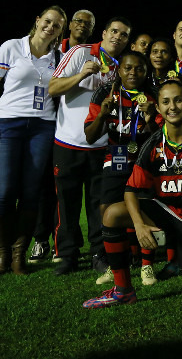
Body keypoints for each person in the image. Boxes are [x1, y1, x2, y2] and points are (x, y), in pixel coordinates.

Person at [82, 79, 182, 308]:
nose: (172, 106)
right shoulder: (153, 143)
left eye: (178, 100)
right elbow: (130, 189)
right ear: (158, 107)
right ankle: (123, 290)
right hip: (166, 214)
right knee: (113, 214)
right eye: (165, 102)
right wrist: (138, 224)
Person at [0, 5, 67, 275]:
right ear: (38, 20)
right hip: (8, 123)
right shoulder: (12, 47)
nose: (51, 27)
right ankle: (3, 254)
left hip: (43, 127)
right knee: (5, 193)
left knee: (31, 194)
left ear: (60, 32)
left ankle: (19, 255)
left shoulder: (60, 57)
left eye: (57, 25)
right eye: (48, 21)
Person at [49, 16, 132, 275]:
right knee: (67, 204)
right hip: (68, 143)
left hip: (102, 146)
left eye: (124, 35)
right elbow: (53, 87)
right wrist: (82, 73)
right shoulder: (79, 53)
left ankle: (99, 254)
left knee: (99, 205)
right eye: (114, 31)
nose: (118, 37)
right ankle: (68, 255)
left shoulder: (121, 67)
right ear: (104, 33)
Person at [84, 51, 158, 285]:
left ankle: (147, 265)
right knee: (107, 209)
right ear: (120, 70)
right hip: (115, 155)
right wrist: (102, 117)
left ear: (146, 72)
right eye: (128, 68)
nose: (133, 73)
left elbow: (162, 137)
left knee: (143, 207)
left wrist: (152, 119)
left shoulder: (154, 96)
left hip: (145, 158)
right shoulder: (105, 94)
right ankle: (115, 264)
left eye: (139, 69)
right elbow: (90, 136)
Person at [31, 8, 95, 263]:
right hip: (48, 123)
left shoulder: (92, 54)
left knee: (66, 192)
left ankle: (70, 244)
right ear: (70, 25)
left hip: (70, 128)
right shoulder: (54, 51)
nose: (82, 26)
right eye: (78, 21)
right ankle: (40, 239)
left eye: (88, 24)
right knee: (47, 187)